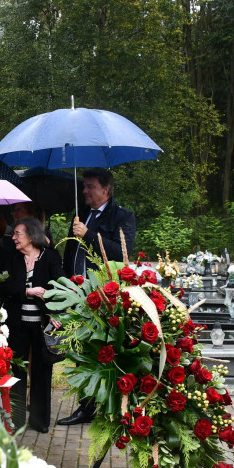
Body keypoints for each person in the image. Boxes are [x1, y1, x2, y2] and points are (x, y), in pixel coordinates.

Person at [58, 167, 137, 426]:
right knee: (82, 352)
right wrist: (67, 280)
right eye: (84, 186)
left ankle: (108, 404)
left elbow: (120, 254)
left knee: (104, 351)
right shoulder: (80, 215)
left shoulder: (123, 216)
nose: (84, 191)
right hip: (78, 293)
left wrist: (89, 235)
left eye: (90, 186)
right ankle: (87, 406)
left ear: (106, 189)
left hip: (105, 296)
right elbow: (71, 252)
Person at [3, 217, 64, 433]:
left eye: (17, 234)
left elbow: (61, 287)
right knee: (17, 369)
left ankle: (39, 421)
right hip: (17, 324)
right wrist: (27, 291)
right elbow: (5, 286)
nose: (13, 238)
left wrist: (54, 310)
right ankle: (17, 420)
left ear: (31, 235)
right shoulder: (12, 258)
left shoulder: (51, 258)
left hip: (42, 324)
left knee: (41, 370)